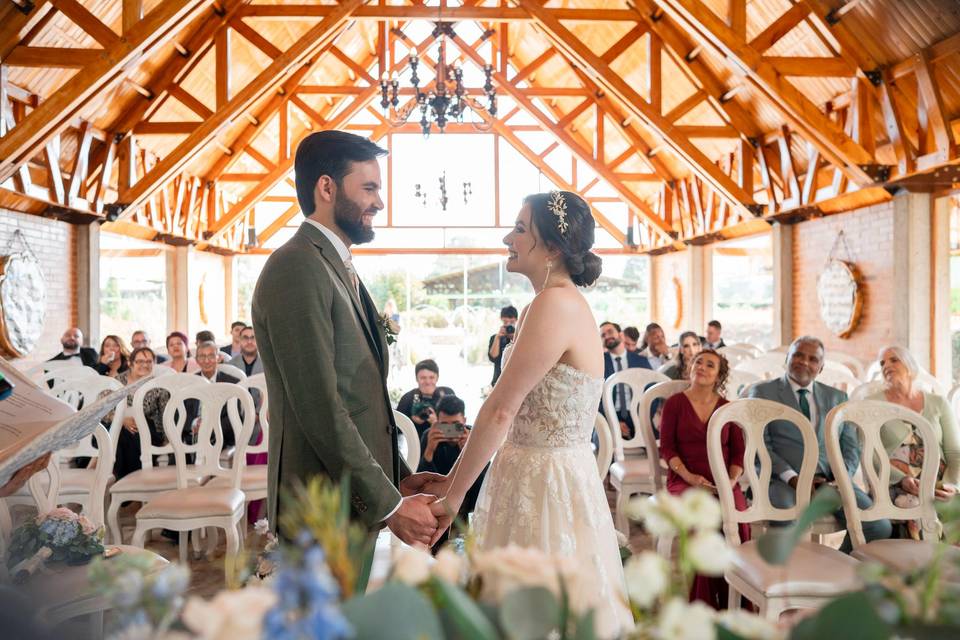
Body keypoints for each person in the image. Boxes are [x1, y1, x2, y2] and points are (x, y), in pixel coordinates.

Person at [426, 190, 633, 637]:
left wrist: (453, 497)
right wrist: (450, 479)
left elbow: (501, 410)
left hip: (544, 485)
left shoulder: (554, 304)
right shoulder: (552, 302)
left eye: (520, 230)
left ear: (554, 248)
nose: (508, 237)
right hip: (530, 472)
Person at [252, 130, 441, 547]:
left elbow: (360, 397)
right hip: (320, 509)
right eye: (369, 187)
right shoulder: (296, 268)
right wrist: (389, 506)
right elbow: (320, 406)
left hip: (347, 503)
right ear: (326, 187)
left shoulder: (334, 265)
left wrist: (399, 478)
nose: (380, 202)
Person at [747, 336, 891, 551]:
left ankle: (839, 567)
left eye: (813, 359)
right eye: (798, 355)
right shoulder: (762, 392)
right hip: (782, 480)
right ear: (787, 358)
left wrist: (840, 479)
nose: (804, 362)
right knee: (788, 521)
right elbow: (760, 446)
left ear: (821, 368)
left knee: (878, 526)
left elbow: (850, 448)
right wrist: (794, 478)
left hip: (831, 481)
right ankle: (786, 579)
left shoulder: (838, 397)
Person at [659, 349, 747, 609]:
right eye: (699, 362)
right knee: (703, 521)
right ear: (690, 367)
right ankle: (705, 603)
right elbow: (667, 448)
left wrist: (728, 482)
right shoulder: (675, 403)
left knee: (737, 518)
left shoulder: (726, 408)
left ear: (718, 376)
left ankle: (737, 598)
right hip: (684, 478)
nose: (703, 367)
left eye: (710, 365)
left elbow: (738, 453)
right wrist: (689, 476)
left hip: (723, 479)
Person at [868, 346, 960, 539]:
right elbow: (869, 453)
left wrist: (952, 485)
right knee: (914, 507)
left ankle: (948, 565)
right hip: (896, 482)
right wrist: (901, 479)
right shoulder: (872, 404)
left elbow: (954, 452)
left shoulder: (938, 403)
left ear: (910, 366)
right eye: (882, 363)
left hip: (939, 483)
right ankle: (924, 565)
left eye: (894, 360)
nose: (886, 365)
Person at [418, 395, 486, 550]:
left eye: (456, 425)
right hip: (437, 504)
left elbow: (482, 489)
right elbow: (422, 485)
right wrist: (429, 451)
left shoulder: (473, 436)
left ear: (464, 420)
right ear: (437, 423)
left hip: (467, 507)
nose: (450, 431)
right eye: (444, 426)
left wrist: (470, 453)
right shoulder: (429, 436)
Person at [105, 347, 171, 479]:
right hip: (118, 427)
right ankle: (131, 487)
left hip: (150, 430)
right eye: (140, 361)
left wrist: (167, 440)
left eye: (148, 361)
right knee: (122, 435)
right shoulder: (117, 382)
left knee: (125, 436)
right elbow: (102, 408)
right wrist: (121, 420)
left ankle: (122, 484)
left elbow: (166, 415)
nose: (144, 365)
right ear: (130, 363)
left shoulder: (158, 385)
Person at [600, 321, 652, 438]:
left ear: (621, 335)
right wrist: (612, 422)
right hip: (609, 414)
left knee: (657, 441)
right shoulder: (599, 363)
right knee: (603, 439)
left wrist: (642, 418)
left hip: (639, 415)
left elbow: (652, 390)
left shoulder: (641, 361)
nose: (607, 336)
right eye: (603, 335)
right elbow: (595, 398)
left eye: (610, 332)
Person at [183, 342, 241, 447]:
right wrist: (194, 424)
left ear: (218, 358)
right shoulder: (189, 384)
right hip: (193, 434)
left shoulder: (232, 383)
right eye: (202, 356)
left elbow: (234, 415)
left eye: (211, 356)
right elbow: (182, 413)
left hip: (221, 436)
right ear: (196, 360)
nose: (206, 361)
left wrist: (210, 427)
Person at [396, 360, 456, 439]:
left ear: (437, 378)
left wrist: (436, 423)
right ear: (417, 378)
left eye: (431, 377)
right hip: (418, 448)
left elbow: (457, 432)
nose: (427, 382)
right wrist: (410, 423)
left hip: (444, 448)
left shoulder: (447, 395)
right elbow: (396, 431)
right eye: (423, 378)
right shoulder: (408, 399)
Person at [487, 305, 518, 386]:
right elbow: (493, 357)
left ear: (516, 321)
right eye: (505, 322)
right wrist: (497, 338)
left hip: (515, 381)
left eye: (511, 322)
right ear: (501, 320)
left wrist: (514, 337)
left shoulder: (520, 337)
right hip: (498, 381)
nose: (508, 325)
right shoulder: (495, 338)